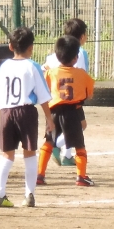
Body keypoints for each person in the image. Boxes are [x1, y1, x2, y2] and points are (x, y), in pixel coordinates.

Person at [0, 26, 53, 208]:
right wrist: (49, 119)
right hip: (26, 112)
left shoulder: (4, 66)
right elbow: (43, 96)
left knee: (7, 154)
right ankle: (29, 195)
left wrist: (3, 115)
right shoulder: (33, 66)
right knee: (30, 153)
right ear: (31, 47)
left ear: (10, 46)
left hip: (6, 112)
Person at [40, 35, 96, 187]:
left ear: (57, 55)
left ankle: (40, 175)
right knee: (79, 145)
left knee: (49, 142)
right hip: (73, 111)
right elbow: (89, 94)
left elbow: (44, 90)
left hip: (54, 111)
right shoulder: (82, 74)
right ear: (76, 57)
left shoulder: (51, 73)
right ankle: (81, 176)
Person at [42, 18, 90, 167]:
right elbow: (81, 74)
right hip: (71, 99)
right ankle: (57, 146)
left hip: (53, 99)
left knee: (56, 128)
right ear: (82, 36)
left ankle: (66, 155)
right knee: (78, 127)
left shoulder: (56, 53)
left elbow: (44, 69)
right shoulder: (80, 53)